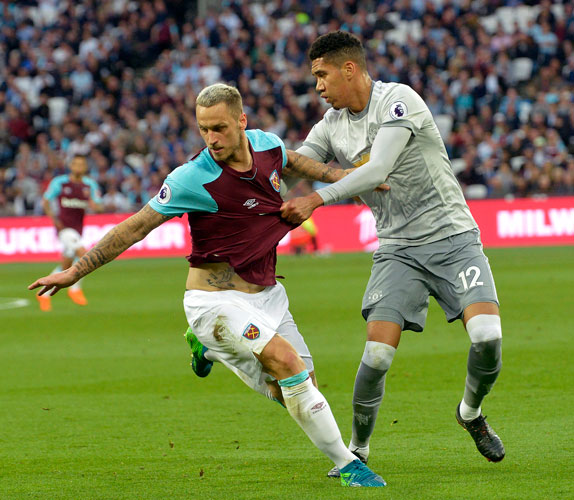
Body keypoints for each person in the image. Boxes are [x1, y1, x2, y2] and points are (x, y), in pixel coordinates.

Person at [29, 83, 386, 487]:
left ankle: (211, 352)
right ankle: (349, 466)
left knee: (299, 387)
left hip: (269, 294)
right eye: (204, 130)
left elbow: (297, 163)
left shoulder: (266, 145)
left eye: (219, 128)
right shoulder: (192, 178)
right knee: (286, 362)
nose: (212, 139)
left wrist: (345, 178)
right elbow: (135, 227)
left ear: (241, 121)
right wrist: (75, 271)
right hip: (214, 301)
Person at [280, 31, 505, 476]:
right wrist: (252, 182)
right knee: (378, 356)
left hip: (454, 238)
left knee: (487, 338)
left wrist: (317, 198)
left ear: (350, 69)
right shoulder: (329, 126)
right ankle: (357, 449)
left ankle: (470, 413)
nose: (318, 87)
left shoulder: (398, 101)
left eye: (322, 75)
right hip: (398, 250)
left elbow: (378, 168)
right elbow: (292, 169)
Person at [39, 154, 103, 311]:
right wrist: (54, 219)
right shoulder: (60, 182)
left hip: (78, 229)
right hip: (64, 228)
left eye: (81, 164)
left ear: (85, 167)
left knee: (66, 266)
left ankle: (43, 295)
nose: (78, 167)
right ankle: (75, 289)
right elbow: (46, 201)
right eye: (75, 164)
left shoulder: (90, 185)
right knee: (84, 255)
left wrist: (95, 205)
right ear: (71, 166)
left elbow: (99, 205)